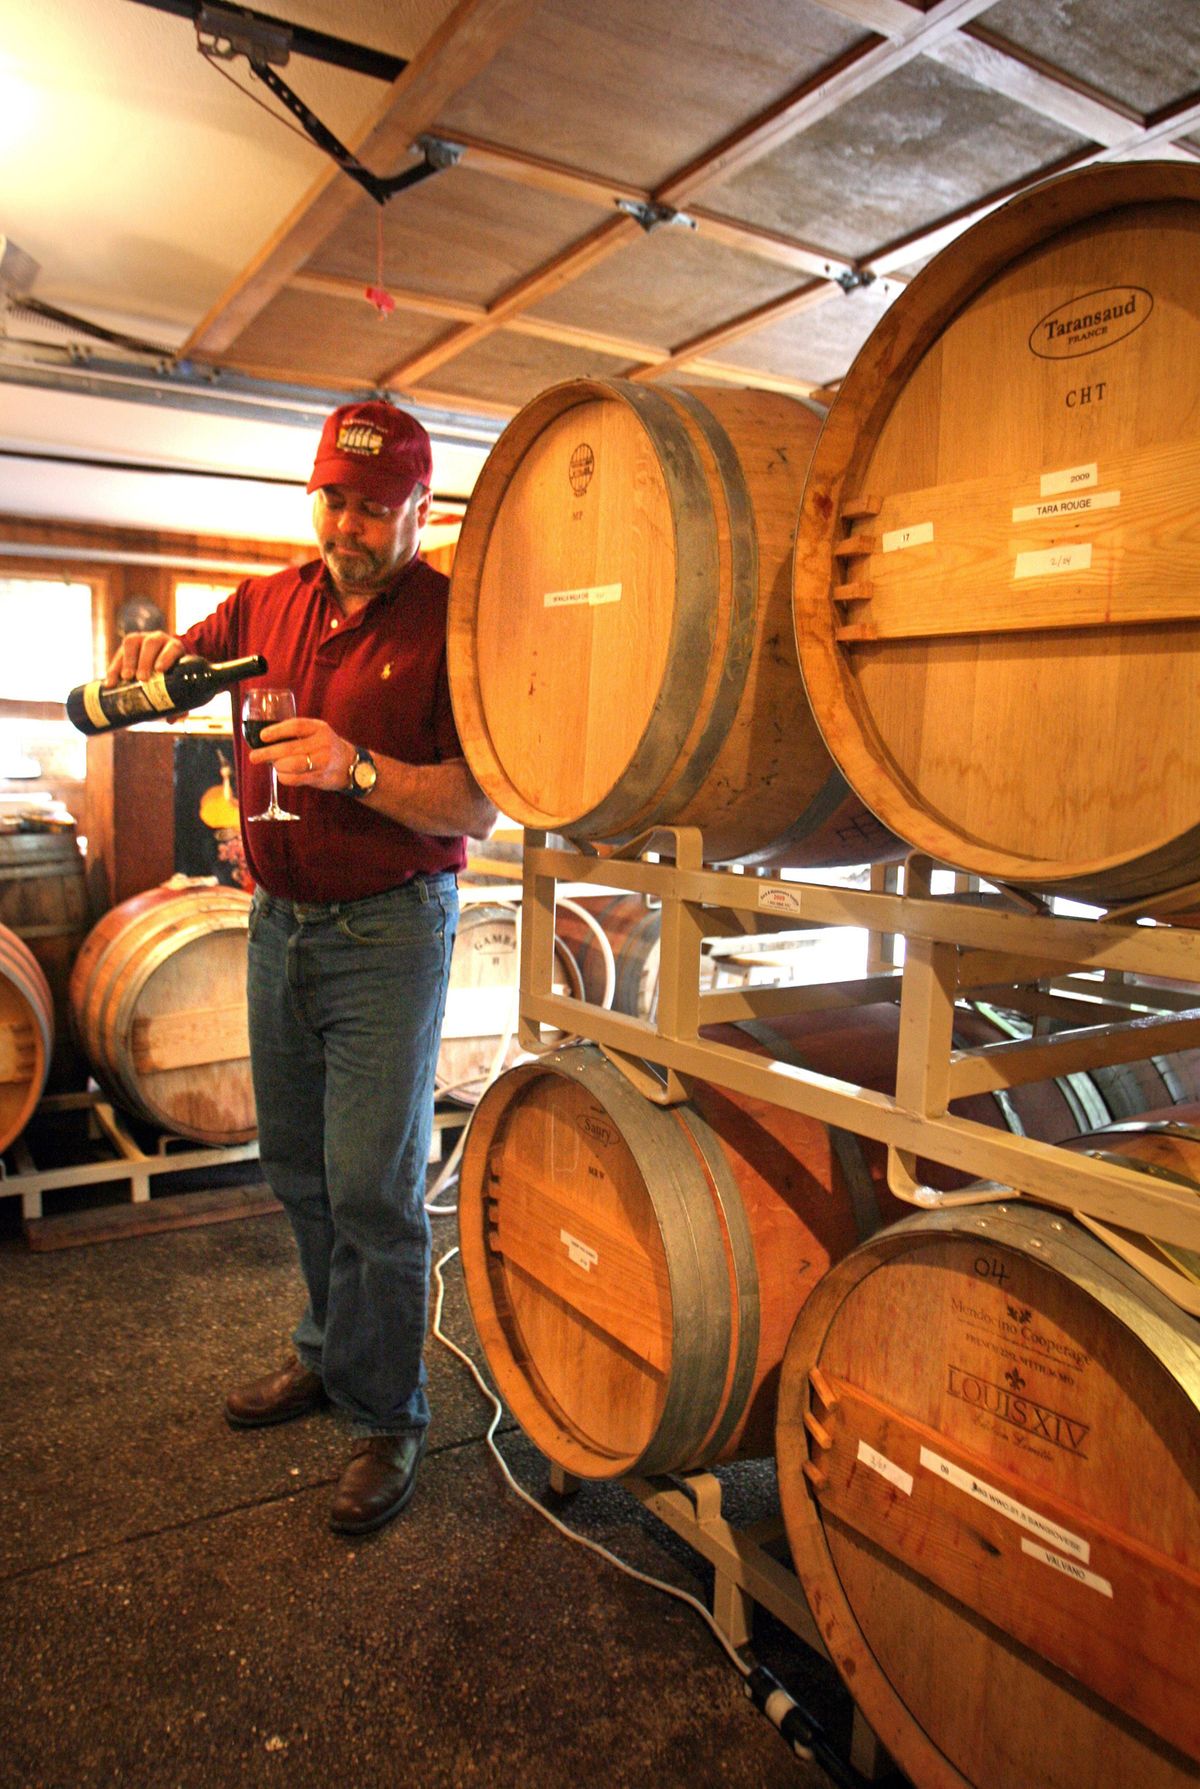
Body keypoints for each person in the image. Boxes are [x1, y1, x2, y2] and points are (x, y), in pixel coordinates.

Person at [106, 400, 497, 1535]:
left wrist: (355, 767)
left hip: (391, 928)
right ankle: (331, 1354)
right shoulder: (269, 602)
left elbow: (477, 798)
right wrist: (148, 661)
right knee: (296, 1169)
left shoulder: (450, 624)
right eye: (334, 497)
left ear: (420, 506)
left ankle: (393, 1411)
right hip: (278, 920)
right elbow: (173, 675)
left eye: (374, 506)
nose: (349, 522)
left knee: (376, 1186)